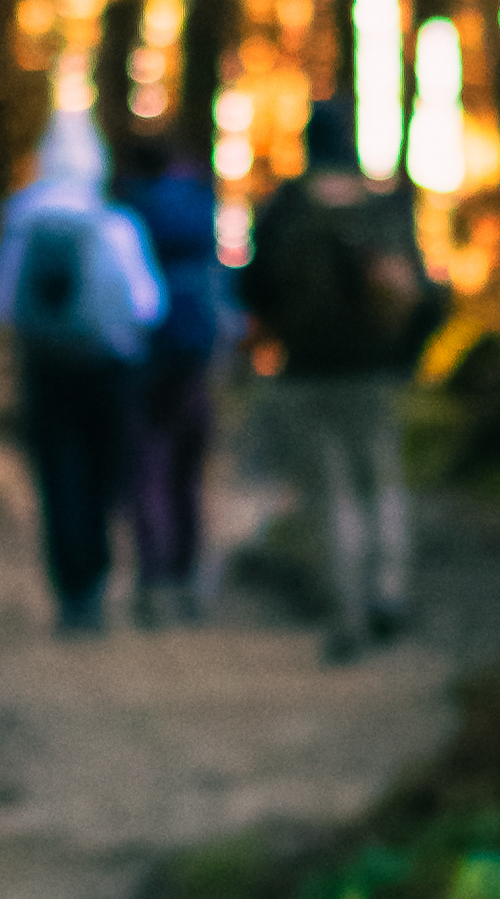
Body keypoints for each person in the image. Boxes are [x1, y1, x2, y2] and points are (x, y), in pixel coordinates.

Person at [243, 92, 445, 659]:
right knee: (381, 479)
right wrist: (407, 352)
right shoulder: (385, 206)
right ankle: (390, 592)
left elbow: (255, 287)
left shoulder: (288, 205)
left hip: (306, 371)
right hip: (377, 370)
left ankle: (347, 612)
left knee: (330, 495)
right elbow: (424, 294)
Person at [0, 105, 161, 634]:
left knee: (58, 477)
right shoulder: (115, 223)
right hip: (109, 368)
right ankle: (98, 573)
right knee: (103, 476)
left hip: (45, 370)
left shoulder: (21, 219)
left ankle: (72, 589)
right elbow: (147, 304)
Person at [121, 134, 227, 624]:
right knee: (188, 469)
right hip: (197, 351)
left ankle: (153, 577)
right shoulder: (199, 203)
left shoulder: (130, 208)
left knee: (148, 465)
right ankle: (186, 579)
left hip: (145, 352)